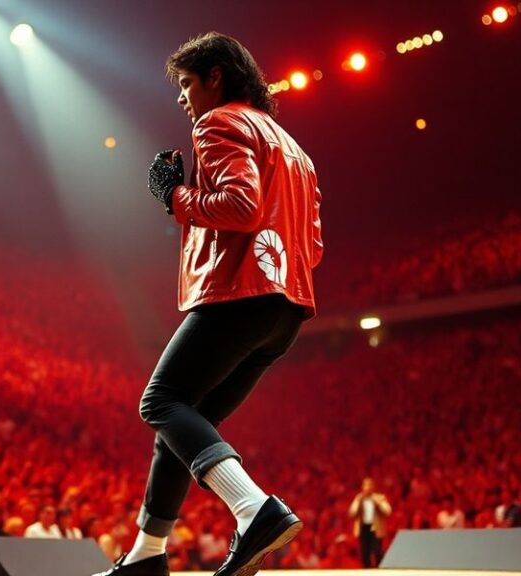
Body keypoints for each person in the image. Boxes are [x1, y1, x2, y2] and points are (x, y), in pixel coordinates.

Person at [95, 31, 323, 576]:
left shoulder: (219, 122)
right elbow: (313, 243)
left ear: (215, 77)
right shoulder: (294, 148)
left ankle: (255, 509)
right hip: (286, 305)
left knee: (161, 401)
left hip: (239, 293)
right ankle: (147, 556)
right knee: (183, 422)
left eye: (186, 82)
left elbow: (241, 208)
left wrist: (176, 198)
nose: (181, 97)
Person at [348, 477, 391, 568]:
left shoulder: (379, 498)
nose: (368, 487)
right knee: (364, 553)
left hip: (375, 528)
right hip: (363, 528)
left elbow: (388, 511)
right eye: (366, 485)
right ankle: (367, 571)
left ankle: (379, 570)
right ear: (362, 487)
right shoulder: (359, 498)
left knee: (376, 551)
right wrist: (358, 502)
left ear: (373, 487)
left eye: (370, 485)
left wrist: (378, 503)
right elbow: (352, 512)